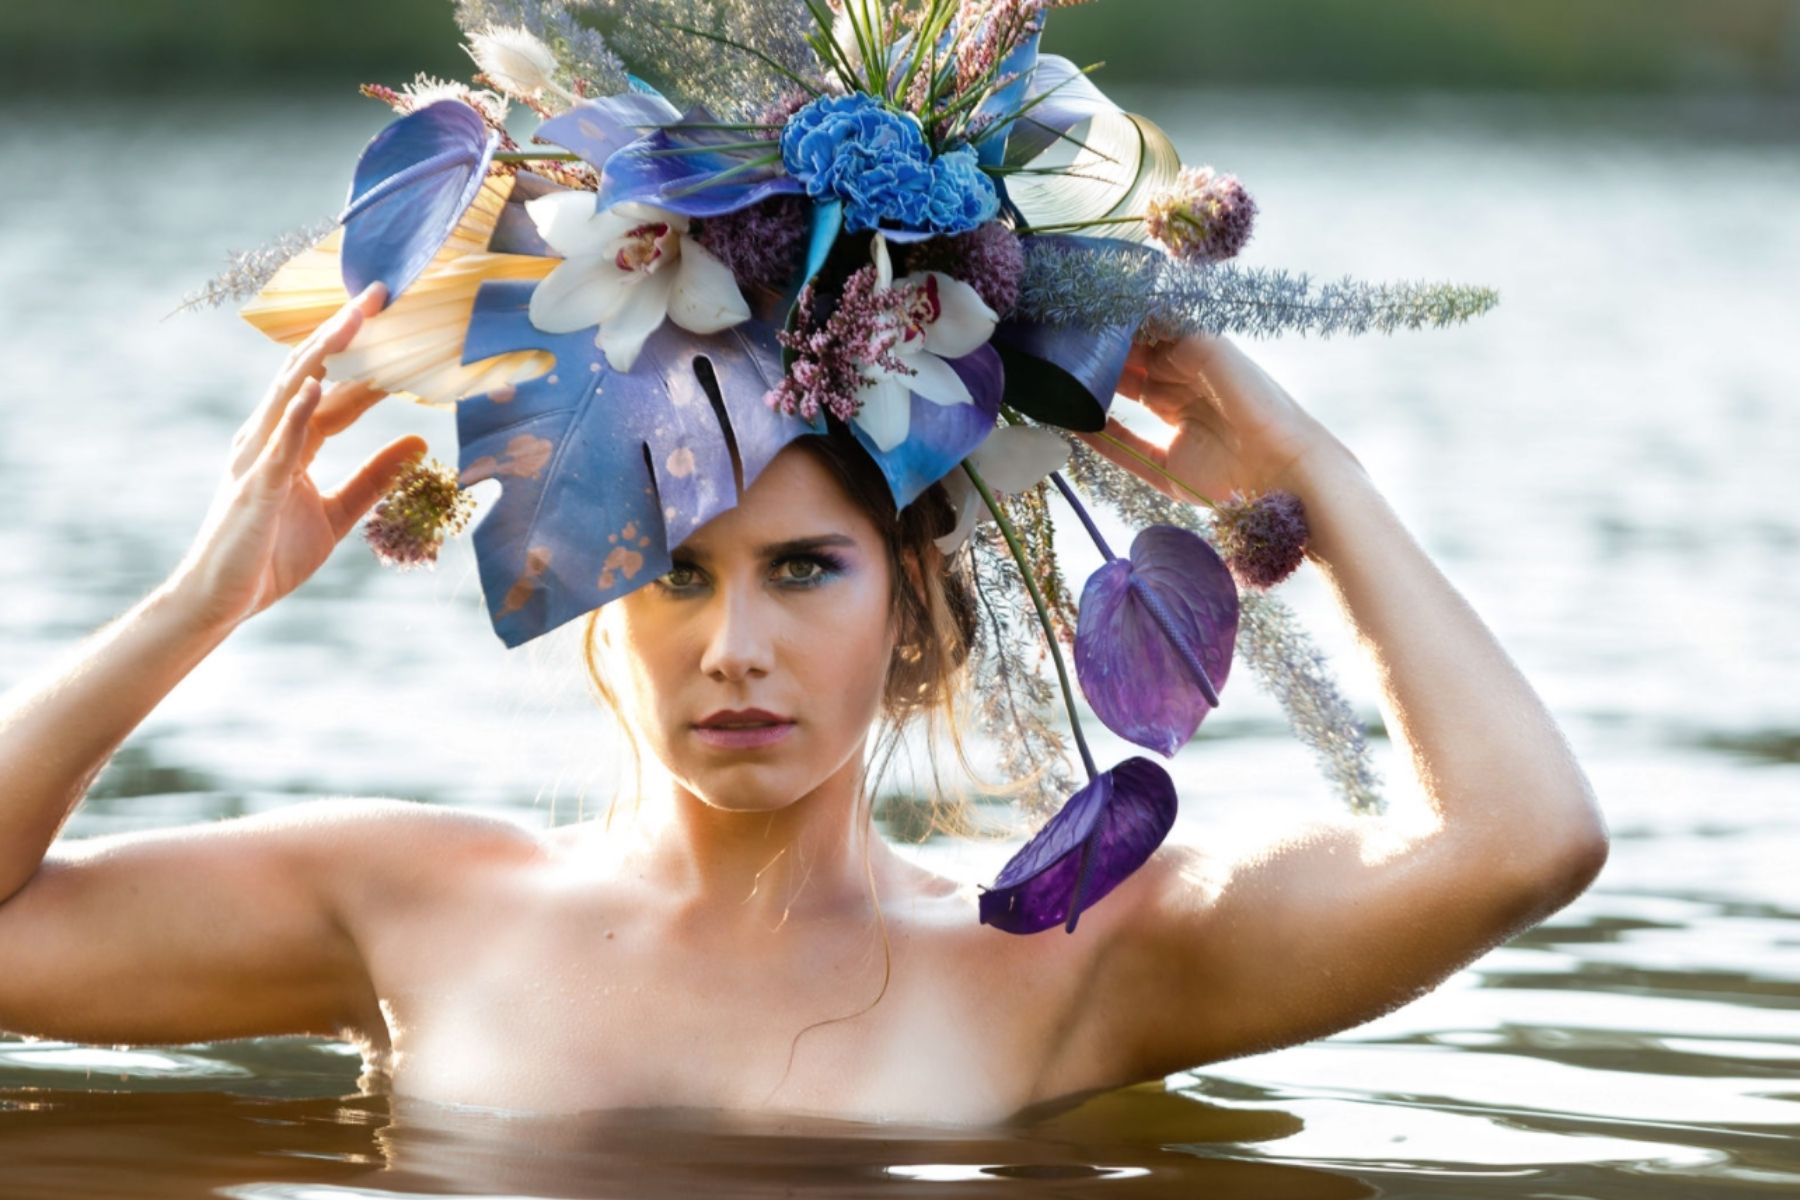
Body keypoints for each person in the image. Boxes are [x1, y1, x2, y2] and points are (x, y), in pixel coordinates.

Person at [0, 282, 1608, 1126]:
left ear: (913, 614)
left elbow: (1521, 844)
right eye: (679, 576)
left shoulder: (1064, 961)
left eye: (805, 572)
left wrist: (1314, 480)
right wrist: (193, 604)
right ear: (597, 617)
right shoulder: (411, 902)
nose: (737, 644)